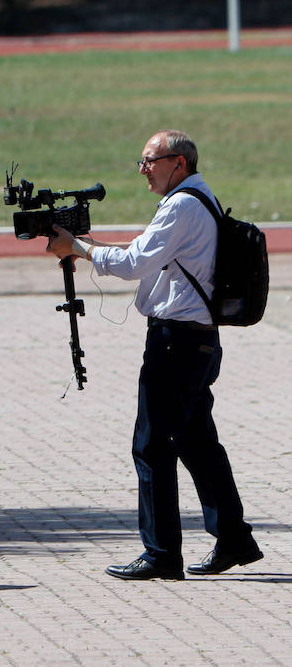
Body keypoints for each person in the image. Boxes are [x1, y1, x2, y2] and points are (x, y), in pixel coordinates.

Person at [46, 130, 262, 581]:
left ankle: (162, 554)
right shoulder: (194, 197)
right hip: (196, 340)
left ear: (178, 162)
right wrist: (88, 244)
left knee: (151, 446)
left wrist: (78, 248)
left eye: (150, 160)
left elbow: (132, 266)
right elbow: (144, 253)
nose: (142, 169)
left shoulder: (182, 205)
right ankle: (234, 539)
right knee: (197, 443)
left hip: (175, 344)